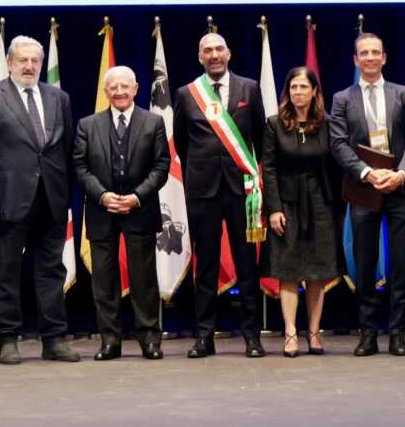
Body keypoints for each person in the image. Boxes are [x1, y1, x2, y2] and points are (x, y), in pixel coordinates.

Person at [0, 35, 80, 365]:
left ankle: (54, 340)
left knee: (52, 273)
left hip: (51, 200)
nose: (29, 66)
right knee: (6, 273)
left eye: (35, 61)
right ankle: (8, 339)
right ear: (10, 62)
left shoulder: (58, 97)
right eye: (22, 60)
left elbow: (66, 151)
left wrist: (66, 196)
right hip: (6, 202)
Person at [173, 32, 267, 358]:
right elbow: (182, 144)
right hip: (203, 192)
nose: (214, 55)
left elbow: (260, 138)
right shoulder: (187, 94)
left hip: (242, 190)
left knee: (247, 266)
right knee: (206, 267)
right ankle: (204, 337)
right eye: (207, 51)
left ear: (229, 53)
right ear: (200, 57)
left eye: (219, 49)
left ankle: (252, 337)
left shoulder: (249, 89)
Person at [330, 33, 405, 357]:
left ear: (384, 58)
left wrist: (401, 174)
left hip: (399, 187)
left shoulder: (403, 94)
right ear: (356, 60)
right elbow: (338, 143)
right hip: (362, 189)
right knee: (365, 263)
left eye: (375, 53)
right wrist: (368, 173)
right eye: (364, 53)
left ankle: (397, 333)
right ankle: (367, 333)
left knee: (399, 263)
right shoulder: (342, 98)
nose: (369, 58)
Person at [73, 66, 170, 361]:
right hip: (101, 212)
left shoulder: (153, 122)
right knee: (104, 281)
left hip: (140, 211)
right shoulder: (87, 125)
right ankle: (109, 341)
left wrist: (136, 198)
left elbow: (161, 166)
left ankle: (149, 339)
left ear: (136, 88)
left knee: (144, 280)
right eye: (113, 87)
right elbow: (80, 167)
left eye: (124, 86)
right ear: (106, 92)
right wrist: (103, 196)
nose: (119, 92)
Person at [261, 67, 344, 357]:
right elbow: (269, 169)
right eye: (293, 87)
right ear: (288, 92)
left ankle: (314, 332)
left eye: (303, 87)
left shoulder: (328, 123)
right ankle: (290, 333)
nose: (298, 92)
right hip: (287, 205)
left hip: (321, 204)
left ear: (314, 91)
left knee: (317, 271)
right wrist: (274, 209)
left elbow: (337, 165)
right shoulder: (274, 124)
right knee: (288, 270)